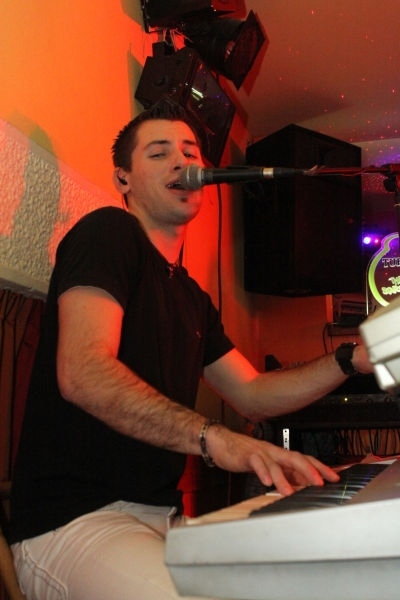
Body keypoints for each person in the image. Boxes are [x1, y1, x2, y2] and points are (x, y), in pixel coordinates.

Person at [9, 97, 373, 600]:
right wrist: (214, 438)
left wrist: (350, 358)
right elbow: (83, 372)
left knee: (318, 574)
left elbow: (253, 394)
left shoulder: (193, 299)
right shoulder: (108, 233)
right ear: (123, 179)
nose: (181, 163)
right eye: (159, 153)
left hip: (166, 520)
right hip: (74, 523)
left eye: (190, 152)